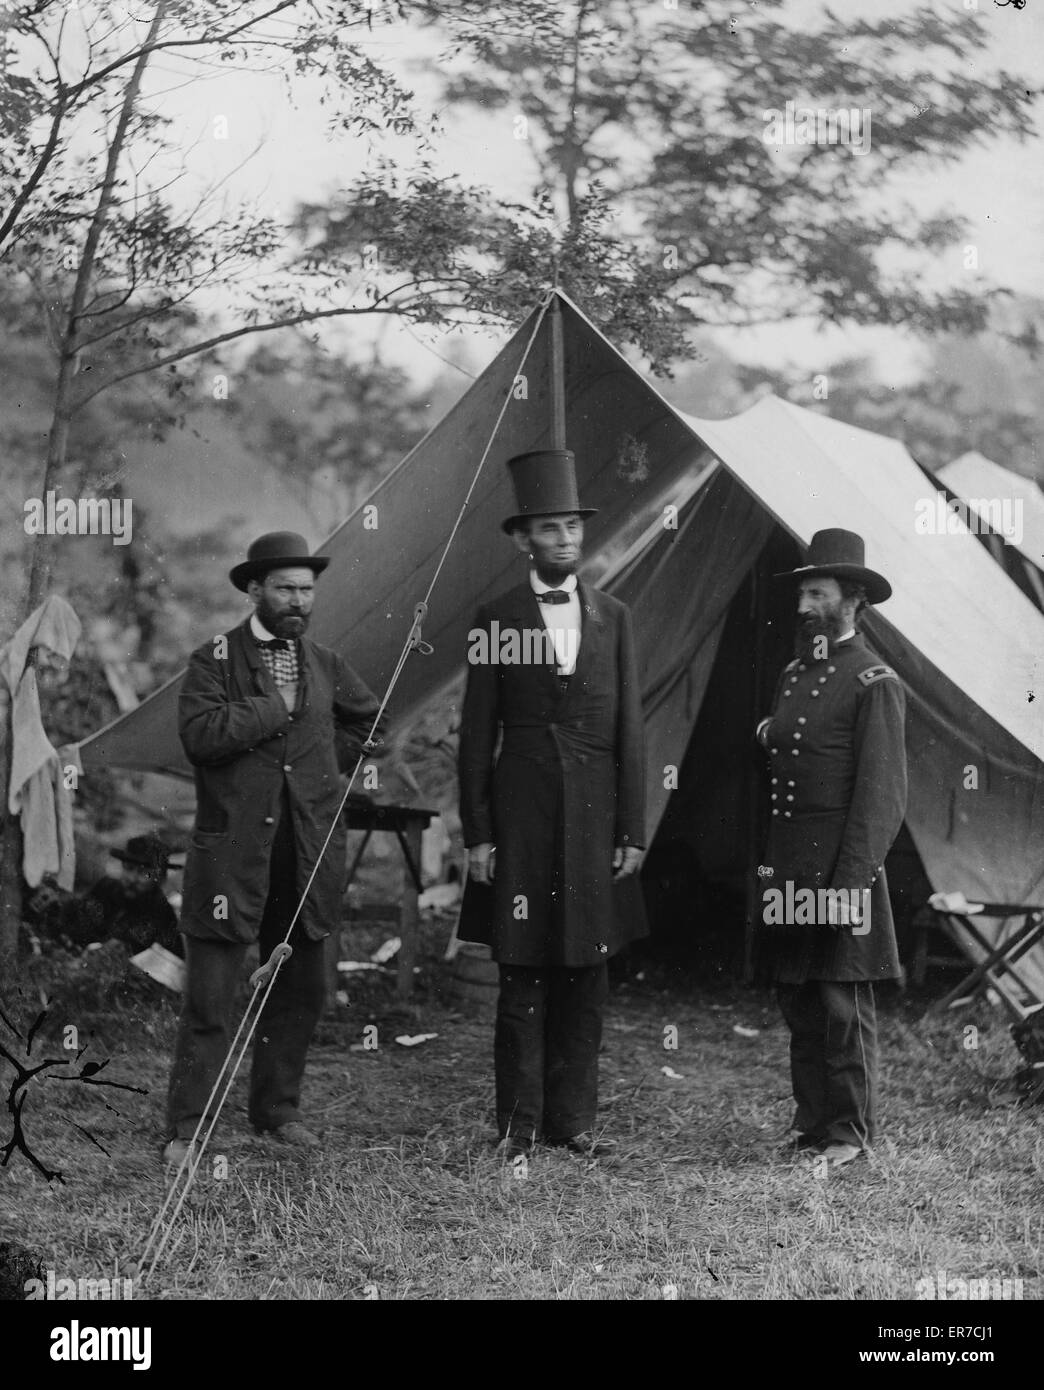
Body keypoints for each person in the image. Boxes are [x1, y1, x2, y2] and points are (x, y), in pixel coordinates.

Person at [163, 532, 382, 1166]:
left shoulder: (325, 660)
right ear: (254, 589)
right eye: (285, 588)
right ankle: (187, 1128)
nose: (298, 600)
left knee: (302, 986)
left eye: (306, 589)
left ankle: (276, 1110)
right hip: (233, 853)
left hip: (307, 852)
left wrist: (324, 761)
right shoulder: (213, 658)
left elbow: (371, 721)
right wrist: (272, 709)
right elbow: (200, 737)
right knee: (213, 993)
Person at [457, 450, 647, 1159]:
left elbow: (633, 729)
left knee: (587, 970)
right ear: (522, 540)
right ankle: (518, 1126)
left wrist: (633, 829)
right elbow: (477, 734)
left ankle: (576, 1122)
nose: (566, 539)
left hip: (598, 822)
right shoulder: (496, 617)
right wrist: (479, 834)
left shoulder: (616, 617)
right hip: (522, 818)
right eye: (550, 528)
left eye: (573, 526)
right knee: (524, 967)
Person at [755, 528, 907, 1169]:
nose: (802, 606)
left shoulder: (875, 681)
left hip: (840, 864)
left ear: (853, 602)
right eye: (801, 594)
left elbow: (882, 798)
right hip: (790, 861)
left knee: (842, 1000)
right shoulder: (794, 674)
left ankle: (849, 1134)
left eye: (817, 593)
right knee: (798, 996)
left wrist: (849, 884)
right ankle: (813, 1122)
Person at [29, 834, 182, 957]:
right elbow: (78, 921)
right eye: (129, 868)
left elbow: (119, 950)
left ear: (160, 878)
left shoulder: (160, 914)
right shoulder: (108, 888)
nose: (132, 879)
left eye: (144, 873)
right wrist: (57, 907)